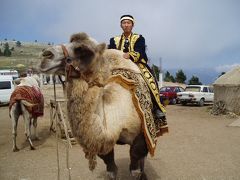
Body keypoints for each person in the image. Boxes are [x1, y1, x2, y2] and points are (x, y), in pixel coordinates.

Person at [109, 15, 168, 134]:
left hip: (136, 64)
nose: (126, 25)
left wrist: (130, 55)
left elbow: (141, 51)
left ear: (132, 25)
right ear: (121, 25)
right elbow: (111, 51)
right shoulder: (113, 40)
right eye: (124, 23)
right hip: (117, 66)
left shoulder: (139, 38)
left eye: (128, 23)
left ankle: (157, 108)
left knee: (150, 79)